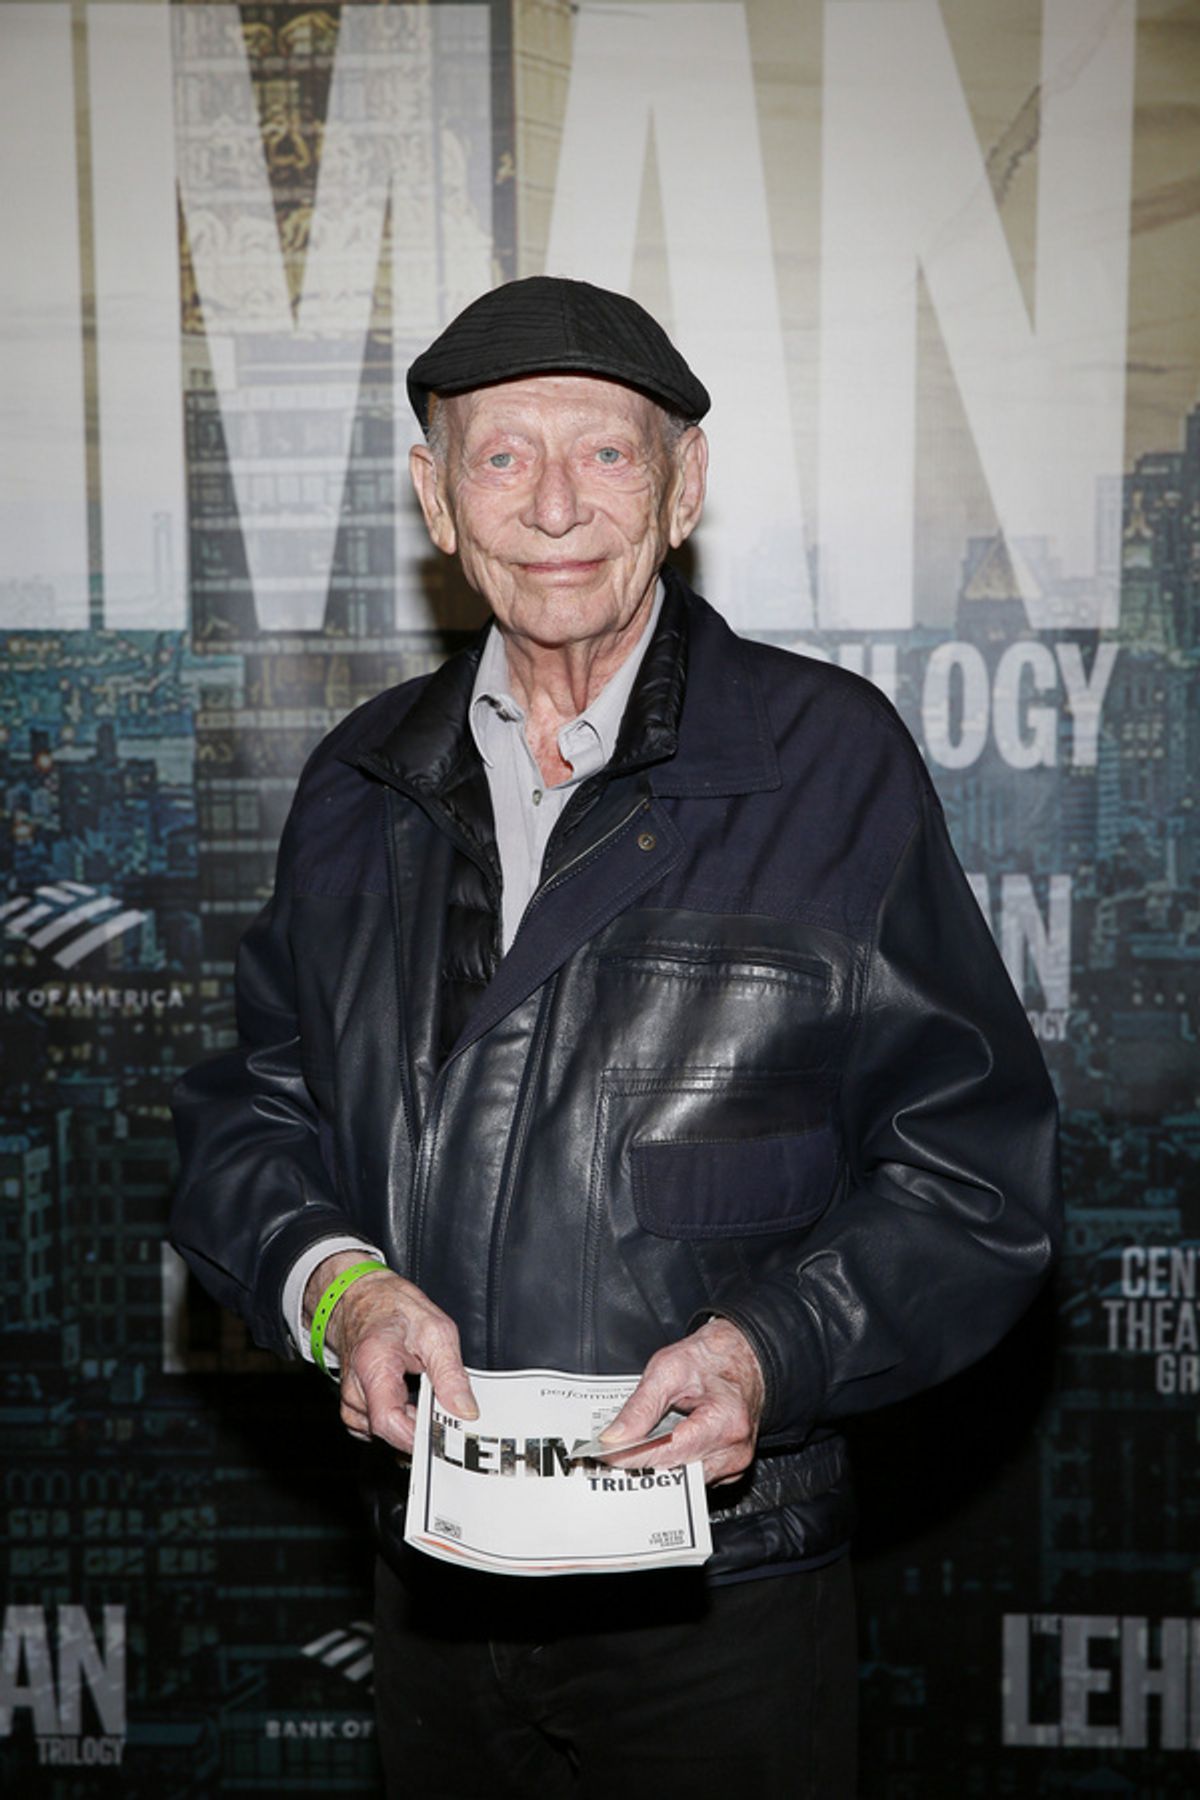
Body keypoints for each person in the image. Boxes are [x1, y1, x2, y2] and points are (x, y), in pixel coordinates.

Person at [171, 276, 1060, 1797]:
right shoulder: (357, 785)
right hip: (430, 1582)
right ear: (434, 499)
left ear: (683, 484)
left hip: (725, 1590)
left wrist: (771, 1350)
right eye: (502, 456)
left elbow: (977, 1177)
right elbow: (247, 1118)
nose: (555, 506)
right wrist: (339, 1290)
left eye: (605, 453)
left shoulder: (827, 764)